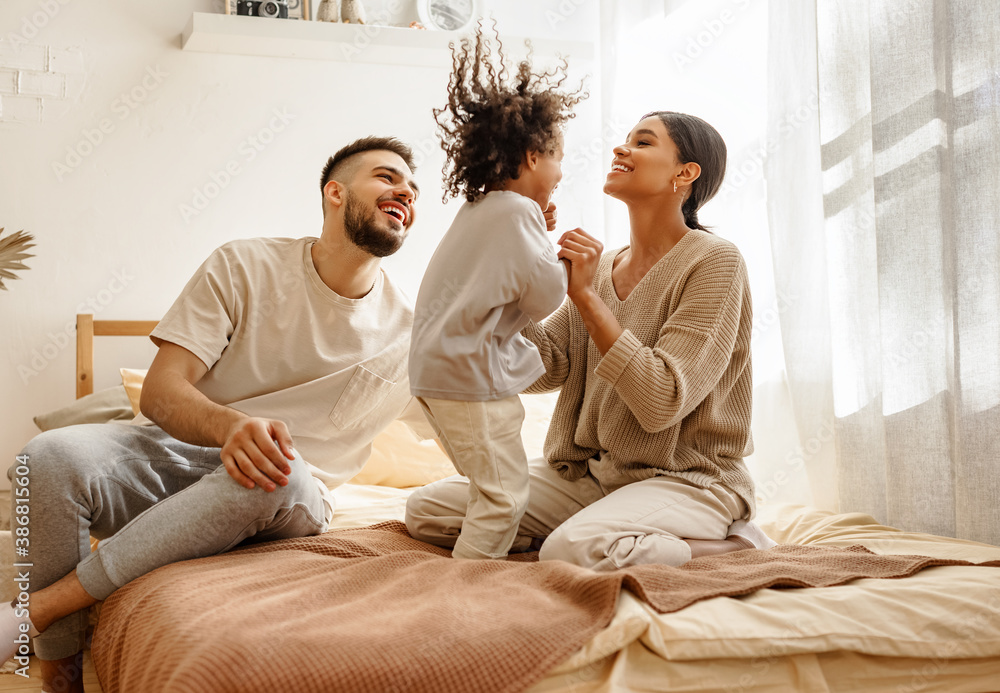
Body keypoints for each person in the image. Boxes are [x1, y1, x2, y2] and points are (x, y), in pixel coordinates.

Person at [4, 136, 429, 691]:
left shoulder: (417, 333)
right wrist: (231, 426)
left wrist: (527, 257)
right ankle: (60, 672)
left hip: (283, 495)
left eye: (413, 188)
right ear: (335, 193)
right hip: (175, 455)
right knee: (45, 457)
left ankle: (36, 611)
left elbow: (502, 386)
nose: (405, 191)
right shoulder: (244, 265)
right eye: (387, 177)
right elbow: (160, 392)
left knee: (275, 468)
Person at [406, 111, 777, 570]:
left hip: (688, 480)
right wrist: (517, 262)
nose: (621, 149)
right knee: (428, 512)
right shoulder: (602, 268)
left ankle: (733, 547)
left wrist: (582, 296)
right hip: (593, 477)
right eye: (624, 141)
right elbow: (550, 365)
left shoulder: (715, 261)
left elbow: (662, 400)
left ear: (685, 173)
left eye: (642, 143)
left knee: (571, 549)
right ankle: (606, 527)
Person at [407, 27, 585, 560]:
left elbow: (503, 277)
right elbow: (544, 297)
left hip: (434, 374)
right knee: (504, 498)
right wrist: (565, 261)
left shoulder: (482, 209)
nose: (560, 173)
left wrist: (536, 232)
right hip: (470, 377)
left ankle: (483, 563)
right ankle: (467, 593)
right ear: (533, 157)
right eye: (558, 159)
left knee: (489, 487)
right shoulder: (519, 214)